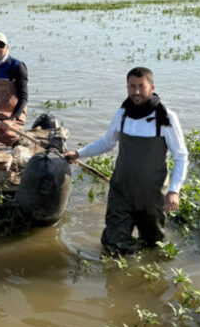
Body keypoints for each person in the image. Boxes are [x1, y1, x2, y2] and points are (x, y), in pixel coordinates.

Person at [64, 67, 188, 254]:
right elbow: (107, 143)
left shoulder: (166, 117)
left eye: (141, 86)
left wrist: (174, 191)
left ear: (151, 87)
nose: (136, 92)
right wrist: (79, 153)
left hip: (151, 194)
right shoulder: (122, 114)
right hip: (121, 191)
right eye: (132, 86)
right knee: (112, 244)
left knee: (153, 245)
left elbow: (181, 156)